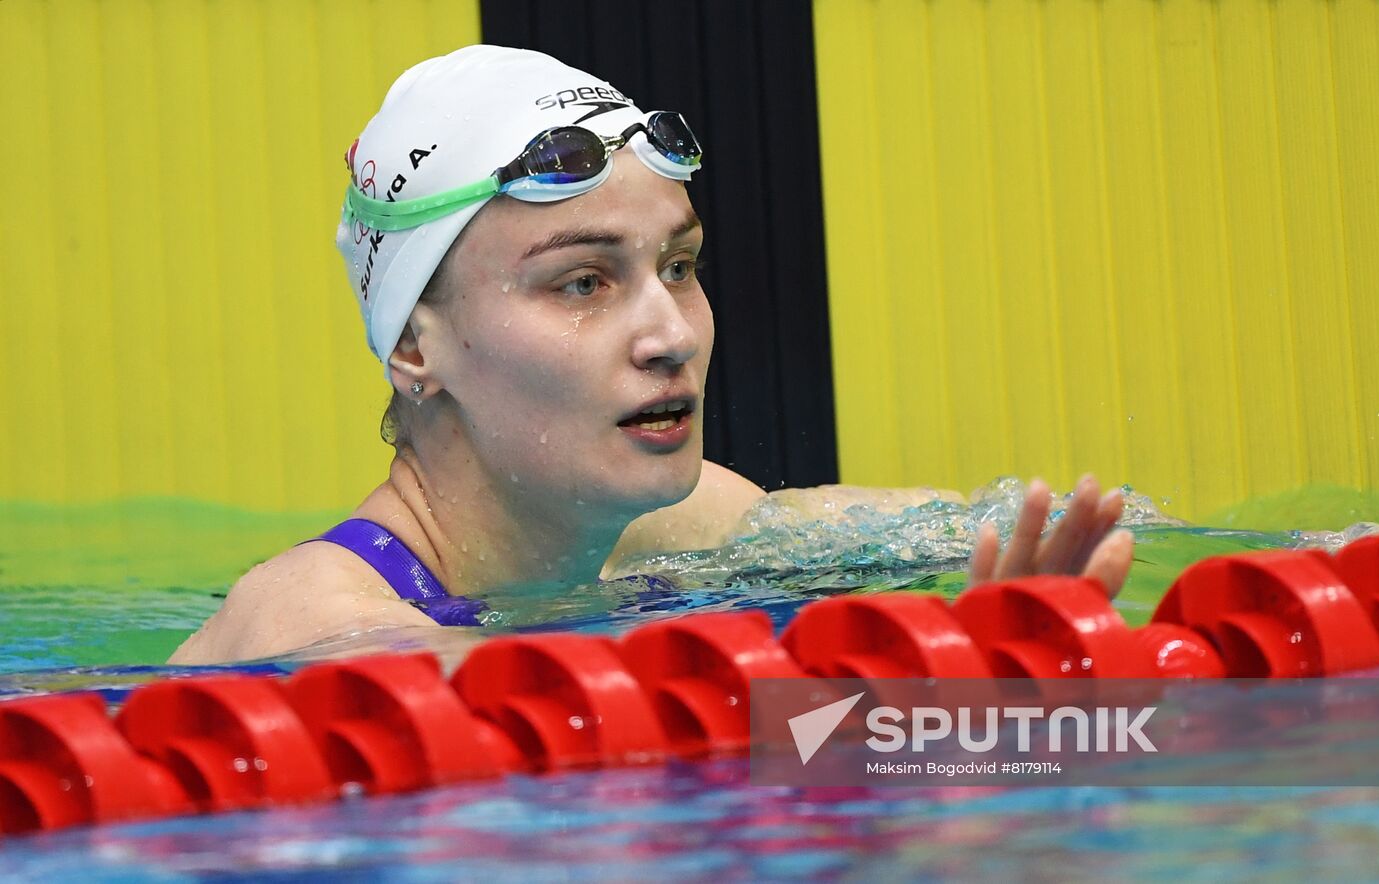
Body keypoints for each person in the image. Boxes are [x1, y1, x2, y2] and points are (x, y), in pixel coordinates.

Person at [169, 46, 1133, 665]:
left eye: (679, 265)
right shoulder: (313, 627)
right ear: (416, 346)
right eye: (581, 283)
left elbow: (982, 528)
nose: (671, 333)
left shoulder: (673, 524)